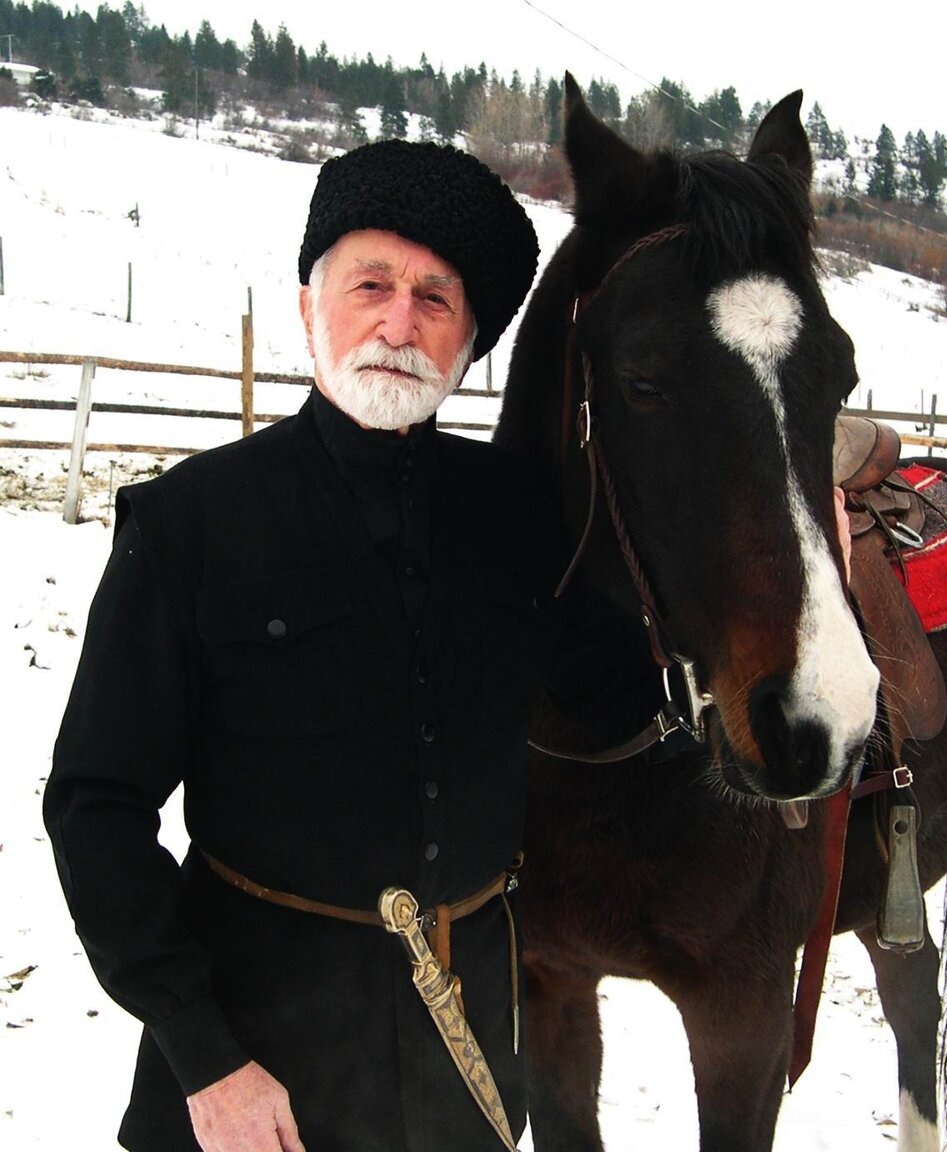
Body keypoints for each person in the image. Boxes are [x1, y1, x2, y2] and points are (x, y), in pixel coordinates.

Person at [44, 139, 562, 1151]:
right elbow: (95, 807)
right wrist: (207, 1058)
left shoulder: (522, 517)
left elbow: (626, 699)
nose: (397, 324)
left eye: (435, 299)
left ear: (467, 345)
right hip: (256, 1076)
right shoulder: (191, 523)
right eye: (370, 284)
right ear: (306, 308)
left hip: (467, 1064)